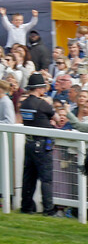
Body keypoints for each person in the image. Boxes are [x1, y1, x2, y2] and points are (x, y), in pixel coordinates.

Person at [20, 73, 59, 216]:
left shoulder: (24, 104)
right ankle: (48, 209)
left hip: (29, 143)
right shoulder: (43, 104)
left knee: (28, 177)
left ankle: (26, 207)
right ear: (39, 88)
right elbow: (57, 118)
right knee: (46, 178)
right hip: (42, 145)